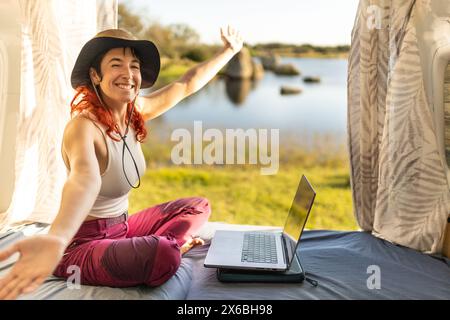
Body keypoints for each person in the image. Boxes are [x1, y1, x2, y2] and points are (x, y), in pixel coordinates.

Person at [0, 26, 243, 300]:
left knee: (197, 206)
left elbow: (186, 84)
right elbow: (84, 180)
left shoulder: (134, 112)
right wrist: (56, 239)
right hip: (84, 244)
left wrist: (228, 51)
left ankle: (161, 248)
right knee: (163, 253)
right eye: (117, 65)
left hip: (122, 230)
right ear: (95, 75)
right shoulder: (84, 127)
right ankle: (166, 249)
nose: (128, 74)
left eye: (134, 66)